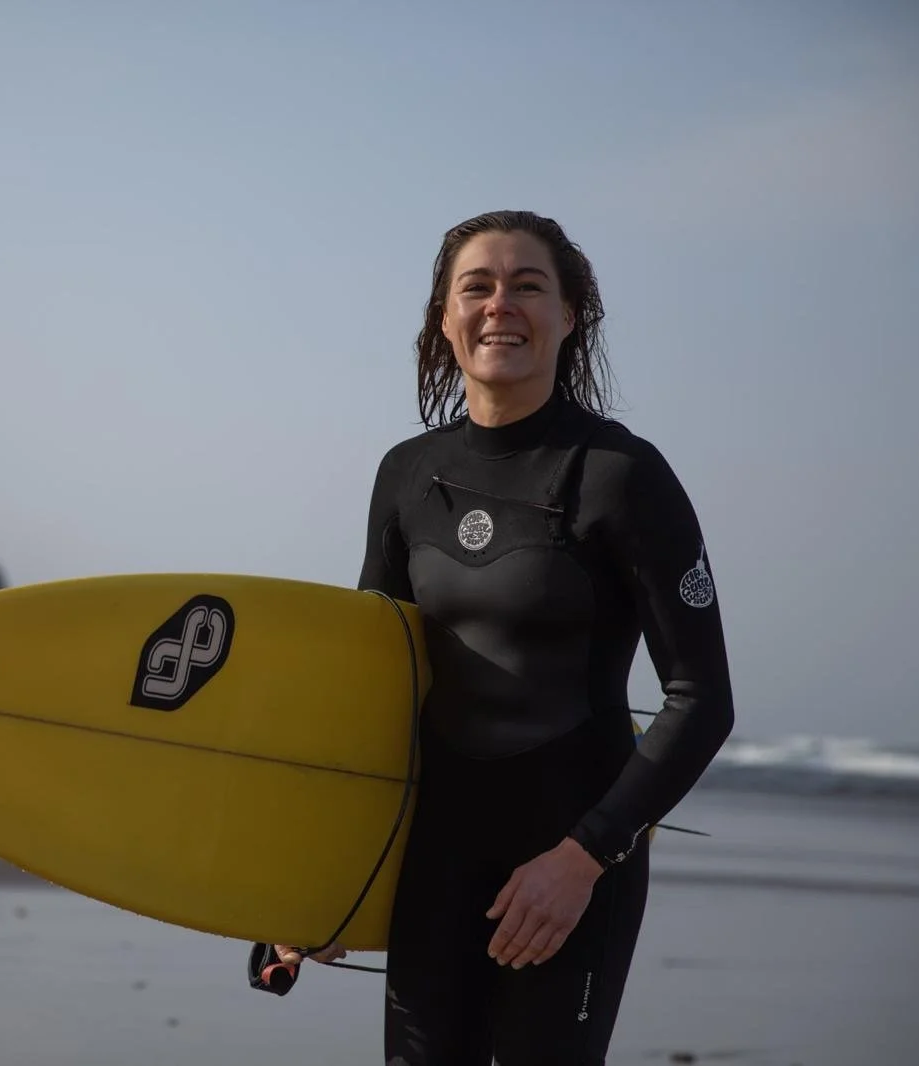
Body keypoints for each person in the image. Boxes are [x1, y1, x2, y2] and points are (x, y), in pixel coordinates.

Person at [272, 210, 736, 1064]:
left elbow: (702, 698)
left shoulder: (622, 476)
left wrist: (584, 858)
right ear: (444, 318)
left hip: (570, 868)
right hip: (436, 866)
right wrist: (320, 881)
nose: (500, 306)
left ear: (571, 316)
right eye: (476, 288)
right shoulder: (406, 475)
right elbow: (374, 694)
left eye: (529, 287)